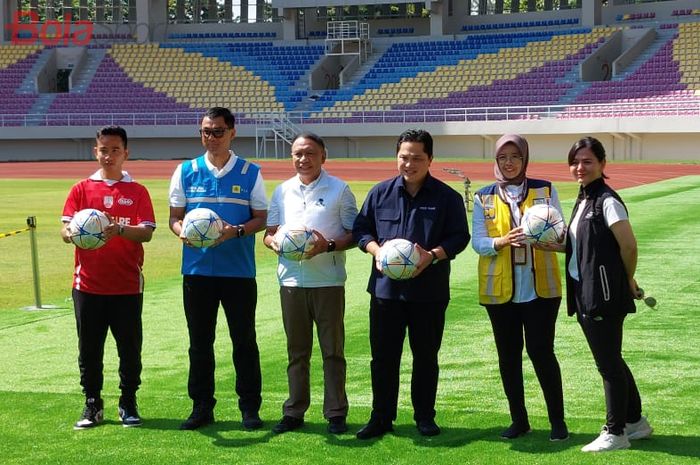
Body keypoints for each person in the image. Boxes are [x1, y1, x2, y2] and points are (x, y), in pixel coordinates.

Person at [352, 129, 470, 439]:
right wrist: (377, 252)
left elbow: (460, 237)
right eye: (404, 157)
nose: (410, 163)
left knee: (426, 357)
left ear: (430, 159)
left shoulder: (447, 197)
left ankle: (424, 416)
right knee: (383, 358)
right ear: (397, 157)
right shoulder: (379, 193)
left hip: (428, 293)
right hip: (385, 293)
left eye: (417, 157)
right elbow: (361, 230)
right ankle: (381, 417)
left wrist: (431, 255)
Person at [168, 107, 267, 431]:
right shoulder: (186, 171)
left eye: (218, 131)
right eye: (206, 131)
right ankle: (201, 407)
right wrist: (182, 231)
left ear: (232, 132)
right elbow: (174, 217)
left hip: (237, 271)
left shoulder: (250, 172)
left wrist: (234, 231)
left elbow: (261, 219)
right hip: (197, 272)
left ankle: (249, 407)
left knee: (244, 341)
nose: (211, 137)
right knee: (199, 342)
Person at [472, 134, 568, 441]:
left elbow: (562, 233)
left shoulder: (545, 189)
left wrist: (547, 239)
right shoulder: (483, 196)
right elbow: (477, 242)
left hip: (541, 288)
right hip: (499, 291)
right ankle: (519, 420)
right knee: (508, 356)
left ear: (525, 159)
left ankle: (557, 421)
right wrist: (501, 242)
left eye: (515, 156)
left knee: (541, 352)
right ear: (496, 160)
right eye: (503, 157)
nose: (509, 162)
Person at [61, 125, 156, 429]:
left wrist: (119, 231)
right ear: (95, 151)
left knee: (129, 348)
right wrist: (75, 233)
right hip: (87, 285)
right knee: (89, 348)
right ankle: (92, 404)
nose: (109, 155)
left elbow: (147, 233)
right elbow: (64, 230)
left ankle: (128, 402)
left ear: (126, 153)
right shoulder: (81, 189)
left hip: (127, 284)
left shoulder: (137, 191)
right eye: (103, 149)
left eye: (115, 149)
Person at [263, 133, 358, 435]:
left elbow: (355, 234)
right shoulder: (281, 191)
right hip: (290, 281)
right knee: (297, 351)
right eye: (297, 154)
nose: (303, 159)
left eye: (309, 153)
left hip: (328, 282)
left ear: (322, 157)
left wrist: (327, 245)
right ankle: (294, 411)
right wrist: (276, 244)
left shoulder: (340, 190)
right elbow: (269, 233)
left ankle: (336, 412)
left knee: (332, 350)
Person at [565, 136, 653, 452]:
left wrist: (627, 279)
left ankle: (616, 432)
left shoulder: (606, 200)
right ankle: (635, 422)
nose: (580, 167)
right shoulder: (585, 197)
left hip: (602, 294)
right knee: (612, 358)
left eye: (587, 161)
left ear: (602, 164)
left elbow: (628, 245)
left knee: (608, 366)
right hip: (585, 291)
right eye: (575, 162)